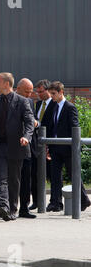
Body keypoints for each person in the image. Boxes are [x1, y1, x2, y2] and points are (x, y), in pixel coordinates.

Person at [0, 73, 34, 221]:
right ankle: (3, 206)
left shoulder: (22, 101)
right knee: (1, 177)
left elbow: (30, 122)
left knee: (14, 179)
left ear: (6, 83)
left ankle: (12, 209)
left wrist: (26, 136)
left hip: (16, 146)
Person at [46, 81, 91, 212]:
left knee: (74, 175)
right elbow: (51, 127)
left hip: (68, 148)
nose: (52, 97)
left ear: (61, 92)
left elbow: (75, 127)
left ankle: (83, 200)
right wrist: (48, 146)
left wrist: (74, 147)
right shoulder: (53, 107)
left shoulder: (70, 107)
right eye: (51, 94)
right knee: (55, 177)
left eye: (54, 94)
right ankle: (56, 203)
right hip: (55, 148)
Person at [30, 79, 54, 210]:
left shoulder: (55, 104)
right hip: (37, 145)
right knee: (35, 174)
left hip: (50, 144)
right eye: (37, 91)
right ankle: (37, 201)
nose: (38, 94)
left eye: (41, 91)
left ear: (48, 90)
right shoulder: (38, 104)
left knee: (52, 175)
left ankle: (54, 201)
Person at [15, 78, 38, 219]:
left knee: (26, 179)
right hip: (11, 145)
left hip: (26, 146)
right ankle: (9, 206)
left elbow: (33, 119)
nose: (29, 94)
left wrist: (36, 122)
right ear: (18, 88)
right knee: (10, 179)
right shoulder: (9, 99)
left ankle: (24, 208)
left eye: (31, 92)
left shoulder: (29, 102)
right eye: (27, 91)